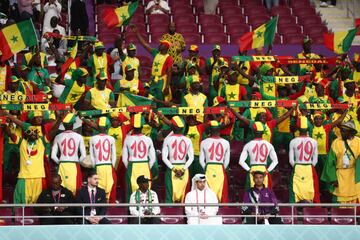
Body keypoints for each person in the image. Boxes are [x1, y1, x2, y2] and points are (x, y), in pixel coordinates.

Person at [131, 25, 173, 102]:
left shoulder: (169, 58)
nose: (159, 45)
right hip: (153, 79)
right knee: (151, 98)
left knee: (160, 98)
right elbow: (144, 45)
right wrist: (137, 33)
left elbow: (169, 72)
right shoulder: (156, 53)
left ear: (166, 47)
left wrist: (167, 86)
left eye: (161, 44)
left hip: (161, 81)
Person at [321, 120, 360, 203]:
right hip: (340, 176)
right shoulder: (336, 142)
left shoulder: (358, 142)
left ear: (351, 132)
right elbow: (330, 163)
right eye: (341, 130)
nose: (341, 132)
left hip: (354, 175)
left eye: (344, 131)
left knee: (355, 197)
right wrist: (333, 178)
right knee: (338, 197)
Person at [122, 113, 156, 202]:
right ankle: (148, 210)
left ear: (132, 126)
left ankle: (130, 212)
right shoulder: (148, 139)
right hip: (145, 164)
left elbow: (124, 159)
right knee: (146, 190)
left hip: (132, 165)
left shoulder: (127, 139)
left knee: (131, 191)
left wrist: (129, 167)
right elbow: (152, 158)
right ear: (142, 126)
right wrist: (148, 166)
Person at [51, 113, 87, 195]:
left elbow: (53, 156)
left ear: (63, 124)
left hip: (62, 165)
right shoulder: (79, 136)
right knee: (74, 189)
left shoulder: (58, 136)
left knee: (60, 188)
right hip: (74, 165)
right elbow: (83, 155)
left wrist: (60, 162)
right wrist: (77, 162)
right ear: (74, 124)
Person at [162, 116, 194, 203]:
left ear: (173, 127)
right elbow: (191, 158)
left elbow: (164, 158)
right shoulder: (188, 140)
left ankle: (169, 215)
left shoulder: (167, 139)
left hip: (171, 168)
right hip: (184, 168)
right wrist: (183, 169)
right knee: (185, 194)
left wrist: (174, 169)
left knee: (169, 194)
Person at [239, 122, 278, 189]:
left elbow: (241, 161)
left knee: (251, 195)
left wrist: (249, 170)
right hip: (264, 170)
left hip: (252, 170)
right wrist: (268, 171)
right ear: (263, 132)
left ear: (253, 132)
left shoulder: (248, 144)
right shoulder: (269, 145)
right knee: (265, 195)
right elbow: (275, 161)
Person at [289, 117, 320, 203]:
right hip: (309, 167)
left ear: (298, 128)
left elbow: (291, 160)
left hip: (298, 166)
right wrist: (309, 166)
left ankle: (294, 210)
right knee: (311, 189)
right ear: (308, 129)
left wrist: (297, 166)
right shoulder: (314, 141)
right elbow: (315, 160)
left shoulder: (293, 141)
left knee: (295, 189)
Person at [199, 121, 230, 203]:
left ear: (210, 130)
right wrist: (223, 168)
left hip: (209, 166)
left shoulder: (204, 142)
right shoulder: (226, 142)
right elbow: (227, 160)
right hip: (220, 167)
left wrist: (206, 167)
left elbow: (201, 160)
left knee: (208, 189)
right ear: (219, 130)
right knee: (221, 190)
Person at [89, 117, 117, 203]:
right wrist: (112, 165)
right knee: (110, 185)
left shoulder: (92, 138)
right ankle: (109, 205)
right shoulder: (111, 138)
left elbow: (91, 155)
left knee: (98, 187)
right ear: (107, 126)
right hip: (108, 165)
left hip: (98, 165)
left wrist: (94, 166)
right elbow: (114, 155)